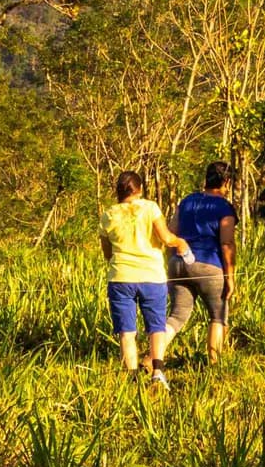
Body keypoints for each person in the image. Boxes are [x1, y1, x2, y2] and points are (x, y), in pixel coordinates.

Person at [98, 170, 190, 387]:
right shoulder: (149, 208)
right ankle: (158, 372)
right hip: (152, 276)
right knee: (156, 327)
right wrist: (181, 243)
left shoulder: (108, 214)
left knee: (127, 332)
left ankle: (131, 380)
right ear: (139, 189)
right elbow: (166, 238)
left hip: (120, 277)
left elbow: (107, 253)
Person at [168, 161, 239, 361]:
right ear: (226, 182)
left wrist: (170, 266)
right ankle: (214, 365)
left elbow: (171, 233)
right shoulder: (224, 207)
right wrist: (230, 277)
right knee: (218, 316)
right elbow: (226, 243)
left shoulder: (187, 201)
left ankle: (152, 358)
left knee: (177, 316)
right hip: (209, 265)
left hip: (179, 262)